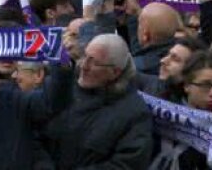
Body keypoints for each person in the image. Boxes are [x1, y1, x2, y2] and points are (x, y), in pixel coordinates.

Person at [42, 34, 153, 170]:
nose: (84, 66)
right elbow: (34, 134)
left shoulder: (134, 113)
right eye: (84, 56)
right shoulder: (62, 88)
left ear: (115, 72)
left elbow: (127, 165)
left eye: (94, 62)